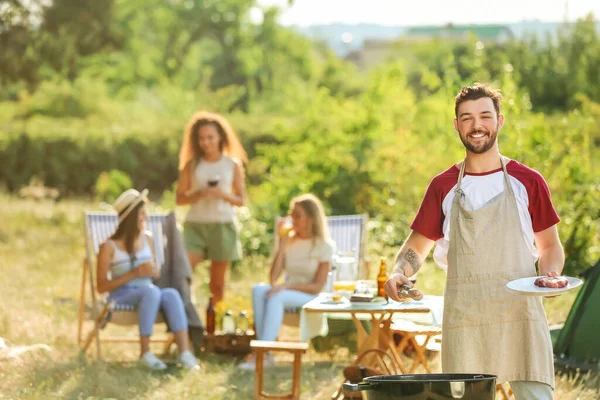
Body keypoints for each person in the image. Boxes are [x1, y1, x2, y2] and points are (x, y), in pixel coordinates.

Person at [384, 83, 564, 400]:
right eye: (467, 118)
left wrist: (550, 276)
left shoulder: (528, 181)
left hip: (519, 313)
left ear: (499, 121)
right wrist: (400, 272)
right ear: (457, 125)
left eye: (484, 116)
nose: (476, 125)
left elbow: (549, 247)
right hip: (466, 316)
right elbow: (416, 247)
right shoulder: (442, 186)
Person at [96, 189, 198, 370]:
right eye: (143, 213)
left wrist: (152, 272)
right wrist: (133, 274)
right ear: (131, 217)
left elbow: (154, 271)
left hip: (149, 292)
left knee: (172, 294)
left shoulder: (147, 239)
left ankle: (185, 352)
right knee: (150, 292)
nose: (147, 217)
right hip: (121, 296)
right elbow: (101, 287)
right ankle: (145, 352)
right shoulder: (109, 246)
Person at [238, 194, 334, 370]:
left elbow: (317, 287)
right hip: (288, 292)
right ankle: (265, 351)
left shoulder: (324, 246)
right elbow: (273, 278)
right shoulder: (289, 241)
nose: (292, 219)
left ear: (310, 219)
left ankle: (263, 353)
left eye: (297, 215)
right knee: (259, 289)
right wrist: (281, 245)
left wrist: (287, 286)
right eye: (291, 214)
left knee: (277, 296)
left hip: (311, 296)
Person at [176, 111, 248, 304]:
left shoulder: (231, 165)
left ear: (220, 138)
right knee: (182, 274)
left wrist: (222, 195)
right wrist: (200, 194)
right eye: (201, 138)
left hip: (222, 226)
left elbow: (241, 200)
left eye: (210, 137)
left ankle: (214, 327)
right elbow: (180, 199)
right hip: (195, 226)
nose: (205, 142)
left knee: (217, 285)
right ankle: (183, 319)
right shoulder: (191, 166)